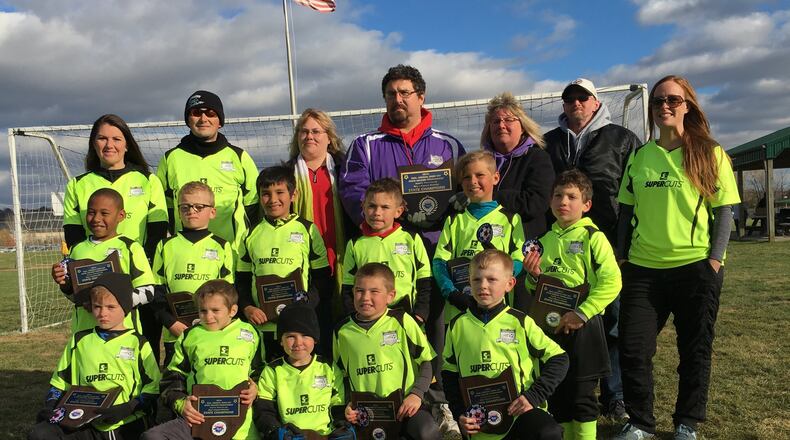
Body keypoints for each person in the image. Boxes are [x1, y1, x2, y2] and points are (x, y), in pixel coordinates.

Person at [339, 65, 466, 433]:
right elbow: (354, 195)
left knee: (433, 333)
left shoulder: (447, 144)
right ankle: (383, 402)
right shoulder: (365, 145)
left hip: (432, 258)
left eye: (405, 92)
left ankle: (439, 402)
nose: (398, 98)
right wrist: (395, 224)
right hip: (382, 257)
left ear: (421, 97)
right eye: (391, 93)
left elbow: (461, 193)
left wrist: (441, 215)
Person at [614, 75, 740, 440]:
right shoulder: (639, 156)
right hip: (643, 271)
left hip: (695, 269)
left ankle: (687, 423)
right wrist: (624, 258)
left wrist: (714, 262)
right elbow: (625, 211)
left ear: (688, 105)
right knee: (634, 349)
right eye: (657, 101)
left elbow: (725, 212)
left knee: (694, 351)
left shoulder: (709, 152)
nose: (664, 106)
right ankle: (639, 424)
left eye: (672, 99)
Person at [543, 78, 641, 422]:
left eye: (582, 98)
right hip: (561, 252)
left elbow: (636, 192)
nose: (576, 104)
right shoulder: (549, 141)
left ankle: (614, 395)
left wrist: (626, 243)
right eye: (569, 99)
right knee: (559, 321)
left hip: (608, 245)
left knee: (611, 322)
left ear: (596, 103)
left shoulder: (622, 138)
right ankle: (568, 388)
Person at [523, 170, 621, 439]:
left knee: (582, 396)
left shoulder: (593, 237)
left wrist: (582, 313)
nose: (563, 201)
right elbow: (536, 289)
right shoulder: (542, 241)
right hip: (550, 328)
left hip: (584, 328)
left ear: (586, 205)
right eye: (557, 195)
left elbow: (612, 282)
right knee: (558, 394)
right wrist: (533, 277)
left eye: (571, 197)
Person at [442, 250, 568, 440]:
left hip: (520, 417)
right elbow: (450, 376)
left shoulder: (520, 321)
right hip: (480, 425)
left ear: (509, 284)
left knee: (548, 432)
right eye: (477, 279)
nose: (483, 286)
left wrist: (533, 396)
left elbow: (559, 359)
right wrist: (460, 413)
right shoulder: (456, 326)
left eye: (492, 279)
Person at [30, 273, 161, 440]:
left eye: (111, 307)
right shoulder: (79, 340)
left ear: (126, 306)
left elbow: (153, 388)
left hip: (123, 422)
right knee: (41, 434)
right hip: (81, 420)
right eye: (97, 306)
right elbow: (59, 384)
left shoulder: (138, 343)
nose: (102, 313)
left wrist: (127, 408)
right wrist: (50, 406)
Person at [141, 280, 262, 440]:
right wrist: (181, 403)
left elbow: (259, 371)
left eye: (215, 310)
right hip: (198, 419)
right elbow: (172, 377)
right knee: (152, 436)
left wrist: (256, 389)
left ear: (233, 310)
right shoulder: (190, 335)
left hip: (241, 425)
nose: (208, 316)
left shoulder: (250, 333)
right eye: (203, 311)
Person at [235, 165, 331, 362]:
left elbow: (322, 279)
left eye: (280, 192)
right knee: (267, 380)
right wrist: (247, 308)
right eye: (266, 194)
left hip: (299, 326)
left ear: (293, 195)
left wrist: (305, 305)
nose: (273, 200)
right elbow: (242, 281)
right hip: (264, 327)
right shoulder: (250, 234)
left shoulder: (308, 230)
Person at [335, 263, 441, 440]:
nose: (365, 297)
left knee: (427, 432)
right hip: (366, 413)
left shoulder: (402, 321)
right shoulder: (342, 331)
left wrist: (416, 395)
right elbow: (339, 374)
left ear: (390, 296)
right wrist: (346, 404)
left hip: (405, 407)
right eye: (359, 291)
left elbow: (426, 361)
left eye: (374, 292)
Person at [286, 108, 355, 357]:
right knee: (311, 319)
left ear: (329, 137)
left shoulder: (345, 170)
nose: (309, 136)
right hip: (304, 259)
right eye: (304, 131)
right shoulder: (287, 174)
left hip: (339, 250)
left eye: (316, 131)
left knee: (342, 315)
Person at [156, 90, 259, 254]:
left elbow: (254, 208)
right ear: (188, 120)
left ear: (220, 121)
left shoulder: (239, 157)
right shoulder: (170, 159)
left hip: (233, 256)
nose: (203, 119)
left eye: (210, 113)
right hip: (185, 255)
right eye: (196, 113)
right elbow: (163, 210)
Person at [433, 151, 527, 320]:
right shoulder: (455, 220)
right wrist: (452, 294)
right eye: (467, 177)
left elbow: (518, 260)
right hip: (459, 310)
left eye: (480, 175)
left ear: (496, 177)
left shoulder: (511, 219)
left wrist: (499, 284)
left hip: (498, 308)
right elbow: (439, 262)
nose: (473, 181)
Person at [151, 181, 235, 367]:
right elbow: (157, 291)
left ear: (212, 212)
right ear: (179, 211)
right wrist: (170, 322)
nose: (192, 211)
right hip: (176, 332)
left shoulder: (221, 246)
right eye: (185, 207)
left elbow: (227, 294)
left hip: (211, 331)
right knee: (176, 383)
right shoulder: (165, 246)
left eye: (199, 206)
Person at [51, 188, 156, 336]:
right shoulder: (76, 249)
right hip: (84, 333)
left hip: (123, 334)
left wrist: (108, 304)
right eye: (91, 212)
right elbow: (76, 297)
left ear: (121, 215)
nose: (96, 219)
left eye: (104, 213)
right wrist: (64, 284)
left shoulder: (130, 247)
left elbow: (149, 292)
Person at [62, 114, 168, 259]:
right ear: (93, 144)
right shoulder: (77, 185)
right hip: (95, 270)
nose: (109, 145)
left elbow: (157, 232)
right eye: (102, 138)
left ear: (127, 145)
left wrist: (140, 265)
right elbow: (74, 237)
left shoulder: (149, 181)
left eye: (116, 139)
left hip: (136, 271)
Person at [253, 305, 352, 439]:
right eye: (290, 336)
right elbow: (265, 411)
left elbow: (338, 404)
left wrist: (341, 427)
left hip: (324, 436)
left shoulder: (328, 367)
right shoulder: (273, 371)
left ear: (315, 339)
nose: (298, 343)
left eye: (305, 335)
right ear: (281, 340)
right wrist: (276, 432)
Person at [340, 178, 432, 322]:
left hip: (407, 316)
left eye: (385, 207)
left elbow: (425, 281)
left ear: (398, 211)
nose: (377, 212)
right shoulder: (355, 244)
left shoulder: (412, 239)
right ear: (363, 207)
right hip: (369, 319)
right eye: (371, 206)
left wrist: (420, 314)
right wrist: (353, 315)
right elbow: (347, 287)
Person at [480, 92, 554, 239]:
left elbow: (535, 203)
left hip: (525, 245)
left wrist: (489, 196)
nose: (501, 125)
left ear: (523, 127)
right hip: (487, 245)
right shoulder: (480, 162)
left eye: (508, 120)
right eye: (495, 121)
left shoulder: (537, 158)